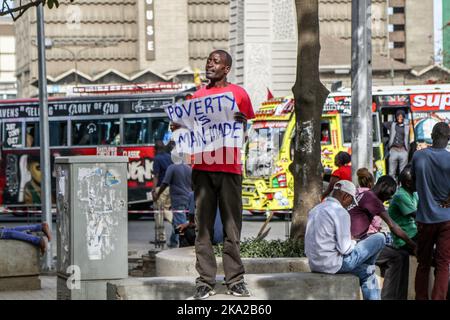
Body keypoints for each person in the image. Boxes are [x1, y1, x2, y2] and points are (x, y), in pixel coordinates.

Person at [188, 49, 255, 299]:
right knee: (202, 228)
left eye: (215, 62)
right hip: (202, 168)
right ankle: (205, 281)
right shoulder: (196, 96)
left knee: (232, 227)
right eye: (208, 61)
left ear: (226, 68)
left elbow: (247, 132)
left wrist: (242, 122)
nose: (209, 64)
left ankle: (235, 280)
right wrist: (179, 126)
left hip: (229, 168)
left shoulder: (240, 94)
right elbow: (186, 131)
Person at [305, 180, 386, 300]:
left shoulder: (315, 210)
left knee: (368, 271)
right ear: (345, 196)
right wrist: (354, 242)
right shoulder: (340, 212)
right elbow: (345, 249)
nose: (350, 205)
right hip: (334, 265)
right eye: (351, 201)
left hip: (315, 265)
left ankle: (368, 266)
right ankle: (369, 265)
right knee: (380, 238)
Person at [411, 122, 450, 300]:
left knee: (423, 263)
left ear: (432, 136)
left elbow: (411, 184)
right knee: (443, 264)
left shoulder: (418, 156)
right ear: (448, 139)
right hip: (447, 220)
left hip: (425, 219)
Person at [376, 165, 418, 300]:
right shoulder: (400, 196)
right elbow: (418, 216)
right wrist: (413, 245)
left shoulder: (415, 193)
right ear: (408, 182)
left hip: (414, 235)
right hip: (405, 239)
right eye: (417, 179)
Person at [153, 151, 192, 248]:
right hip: (188, 197)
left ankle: (183, 242)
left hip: (178, 199)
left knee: (180, 222)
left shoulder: (172, 167)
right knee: (176, 220)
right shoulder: (188, 168)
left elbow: (165, 183)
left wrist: (157, 194)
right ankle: (173, 241)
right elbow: (193, 184)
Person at [151, 140, 173, 245]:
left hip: (161, 187)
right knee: (166, 210)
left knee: (159, 213)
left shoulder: (157, 159)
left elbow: (156, 175)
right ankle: (178, 222)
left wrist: (153, 190)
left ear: (155, 149)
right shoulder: (170, 157)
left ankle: (161, 237)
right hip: (171, 187)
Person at [387, 110, 410, 179]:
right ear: (396, 117)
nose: (400, 118)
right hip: (393, 150)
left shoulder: (407, 126)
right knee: (391, 172)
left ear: (403, 117)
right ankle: (392, 187)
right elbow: (382, 124)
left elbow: (409, 138)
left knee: (402, 172)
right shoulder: (392, 124)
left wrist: (407, 150)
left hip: (403, 150)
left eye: (401, 116)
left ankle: (401, 186)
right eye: (398, 116)